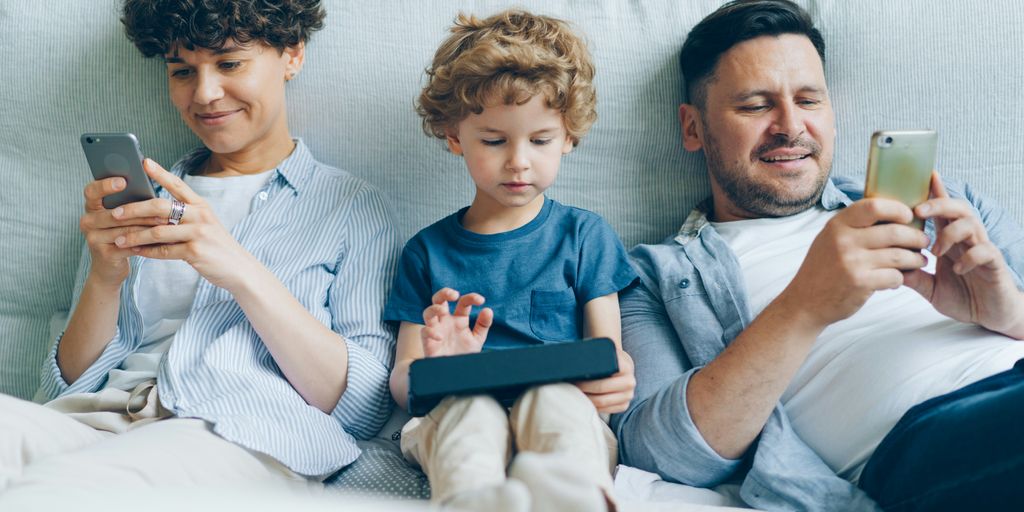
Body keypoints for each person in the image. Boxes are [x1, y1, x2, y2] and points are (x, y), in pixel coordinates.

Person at [610, 0, 1024, 510]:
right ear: (693, 128)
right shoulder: (649, 277)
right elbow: (659, 455)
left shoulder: (953, 204)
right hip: (933, 438)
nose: (791, 126)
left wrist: (1011, 314)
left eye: (809, 99)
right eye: (756, 105)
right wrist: (806, 304)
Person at [0, 0, 399, 496]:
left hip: (233, 432)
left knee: (67, 488)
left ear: (292, 55)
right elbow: (69, 385)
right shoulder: (144, 197)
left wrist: (236, 268)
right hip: (95, 421)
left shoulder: (350, 208)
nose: (205, 94)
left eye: (230, 63)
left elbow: (363, 405)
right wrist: (105, 276)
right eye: (183, 71)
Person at [383, 10, 638, 512]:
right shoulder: (426, 252)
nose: (519, 160)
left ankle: (574, 495)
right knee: (471, 411)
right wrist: (437, 365)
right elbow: (401, 381)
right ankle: (473, 500)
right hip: (454, 411)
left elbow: (609, 351)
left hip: (564, 411)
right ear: (455, 138)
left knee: (554, 400)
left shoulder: (585, 236)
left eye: (540, 141)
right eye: (495, 141)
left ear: (569, 137)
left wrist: (618, 377)